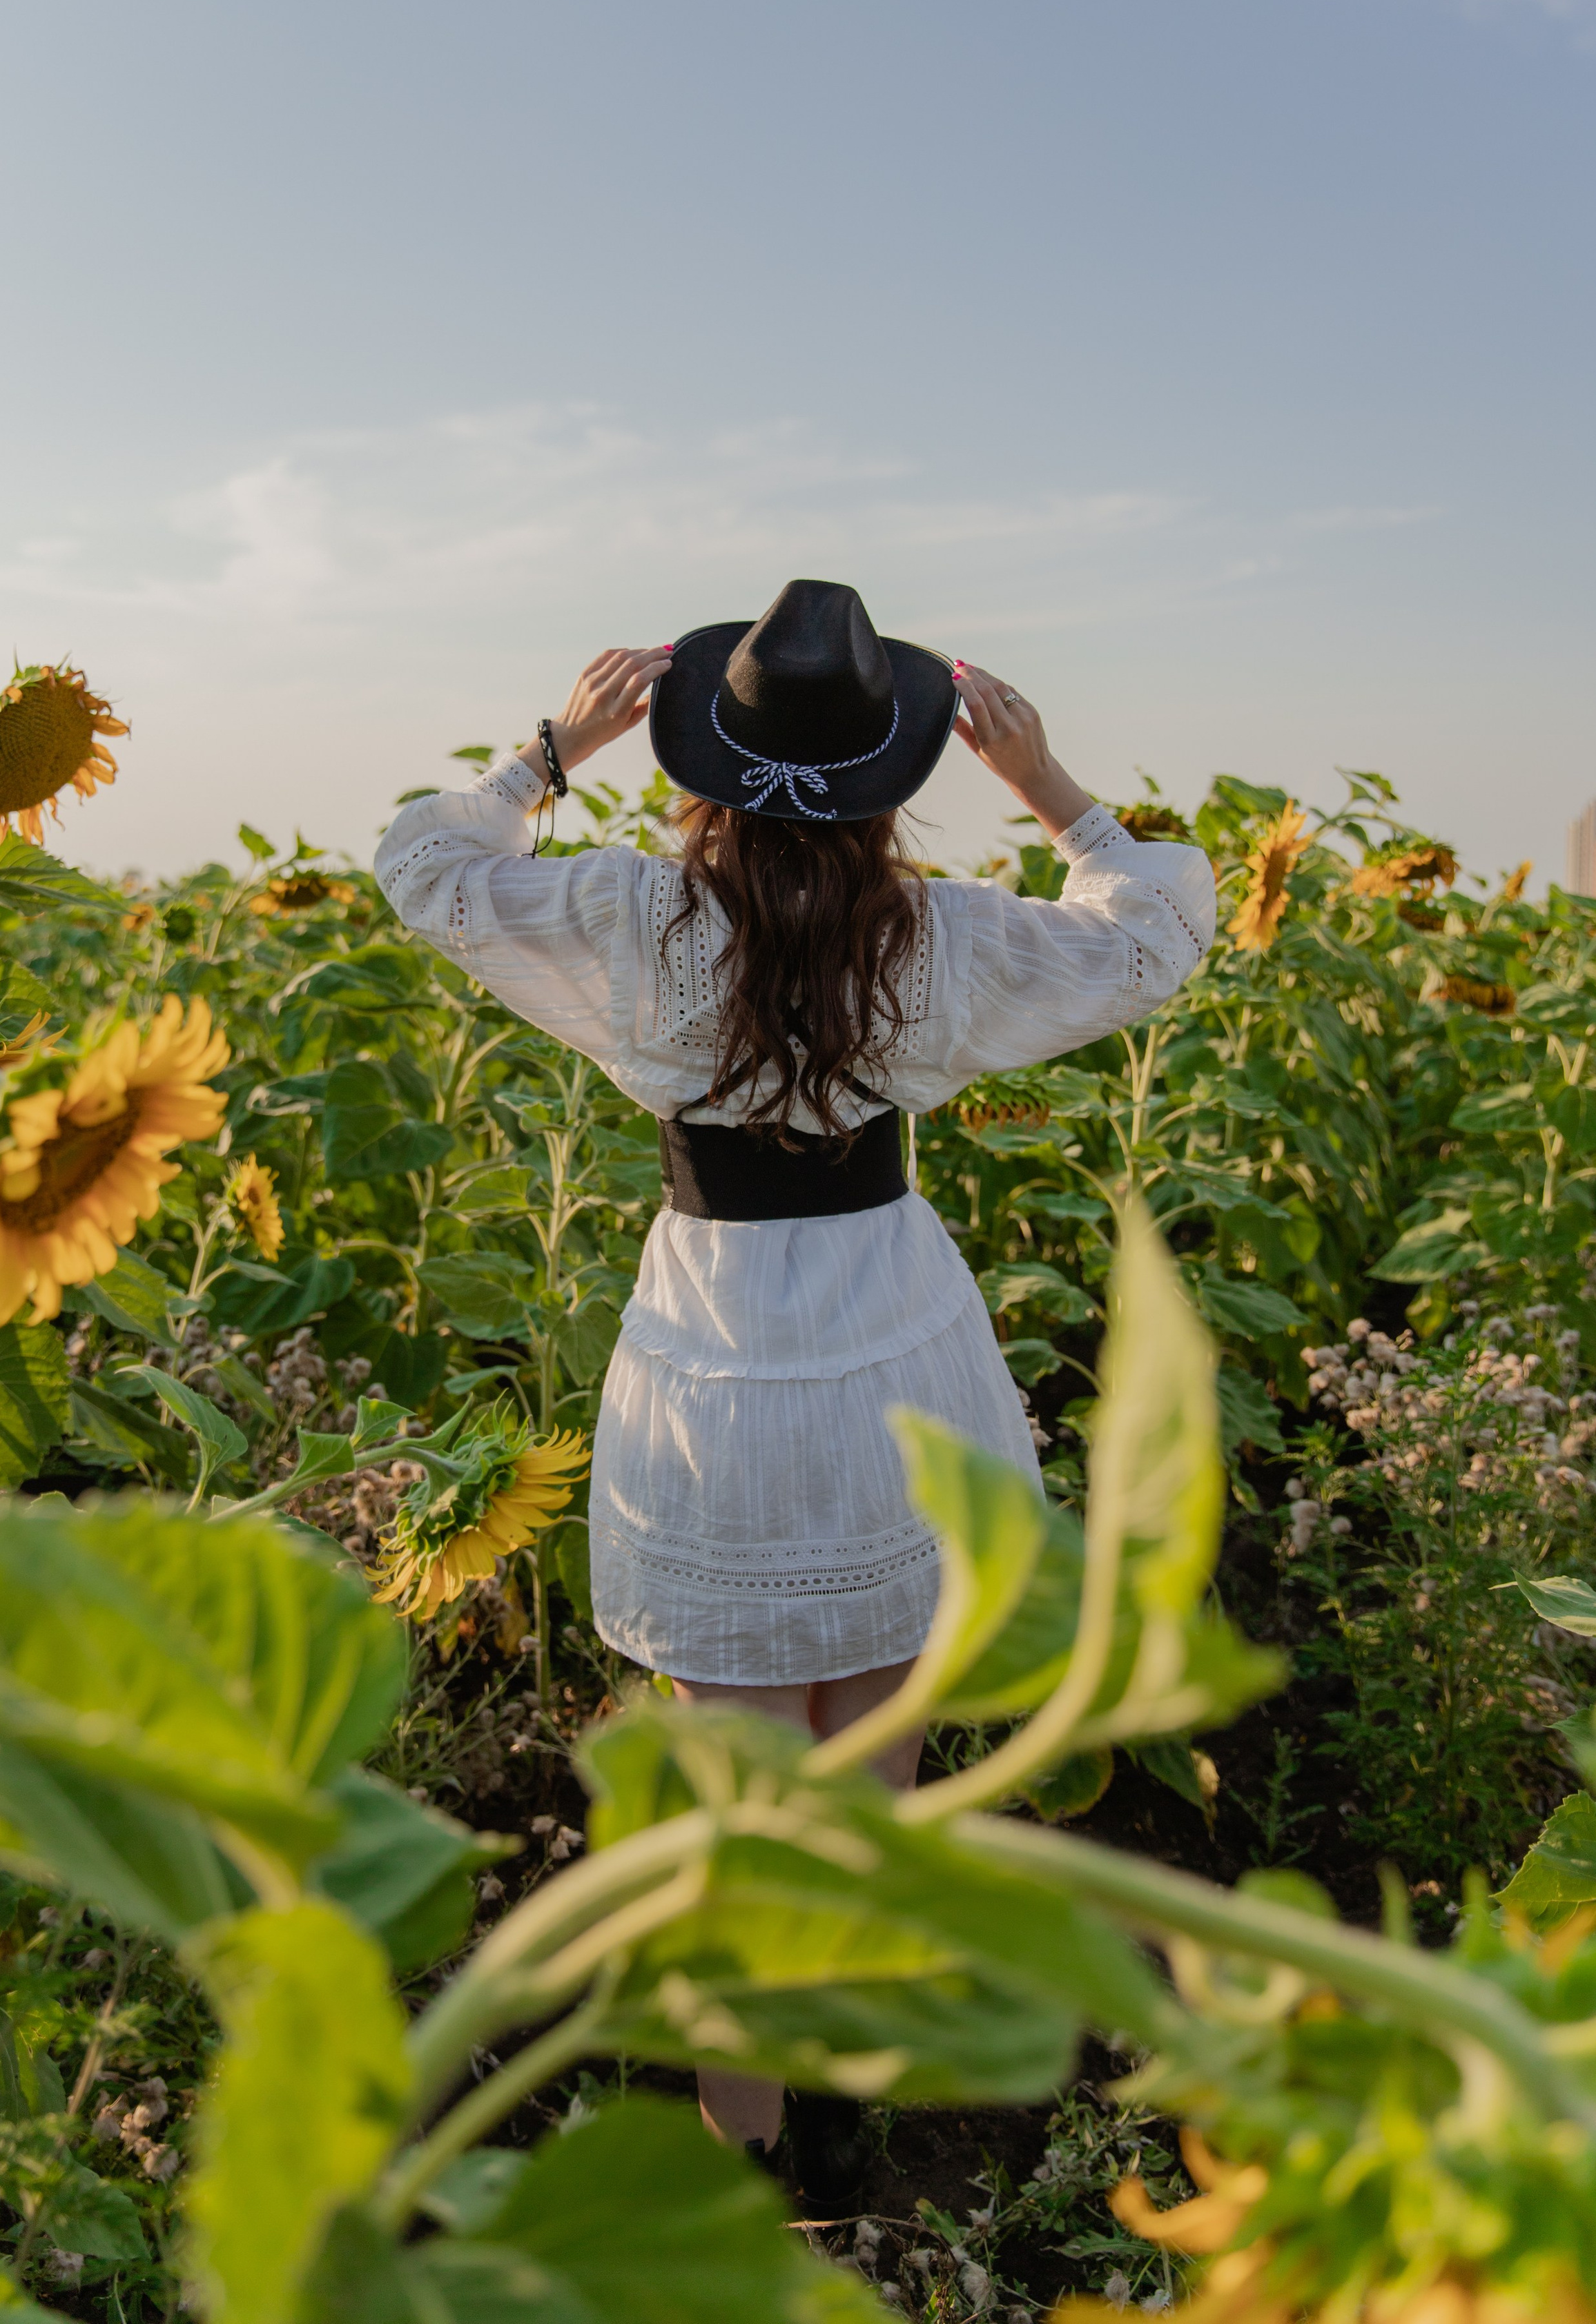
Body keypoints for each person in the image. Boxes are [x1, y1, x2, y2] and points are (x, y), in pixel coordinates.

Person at [374, 579, 1216, 2197]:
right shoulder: (937, 938)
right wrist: (1054, 791)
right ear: (889, 779)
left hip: (717, 1363)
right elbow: (1159, 933)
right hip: (891, 1348)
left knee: (734, 1797)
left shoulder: (639, 925)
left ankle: (740, 2142)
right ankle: (831, 2111)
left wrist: (547, 752)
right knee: (871, 1781)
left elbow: (423, 867)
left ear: (698, 768)